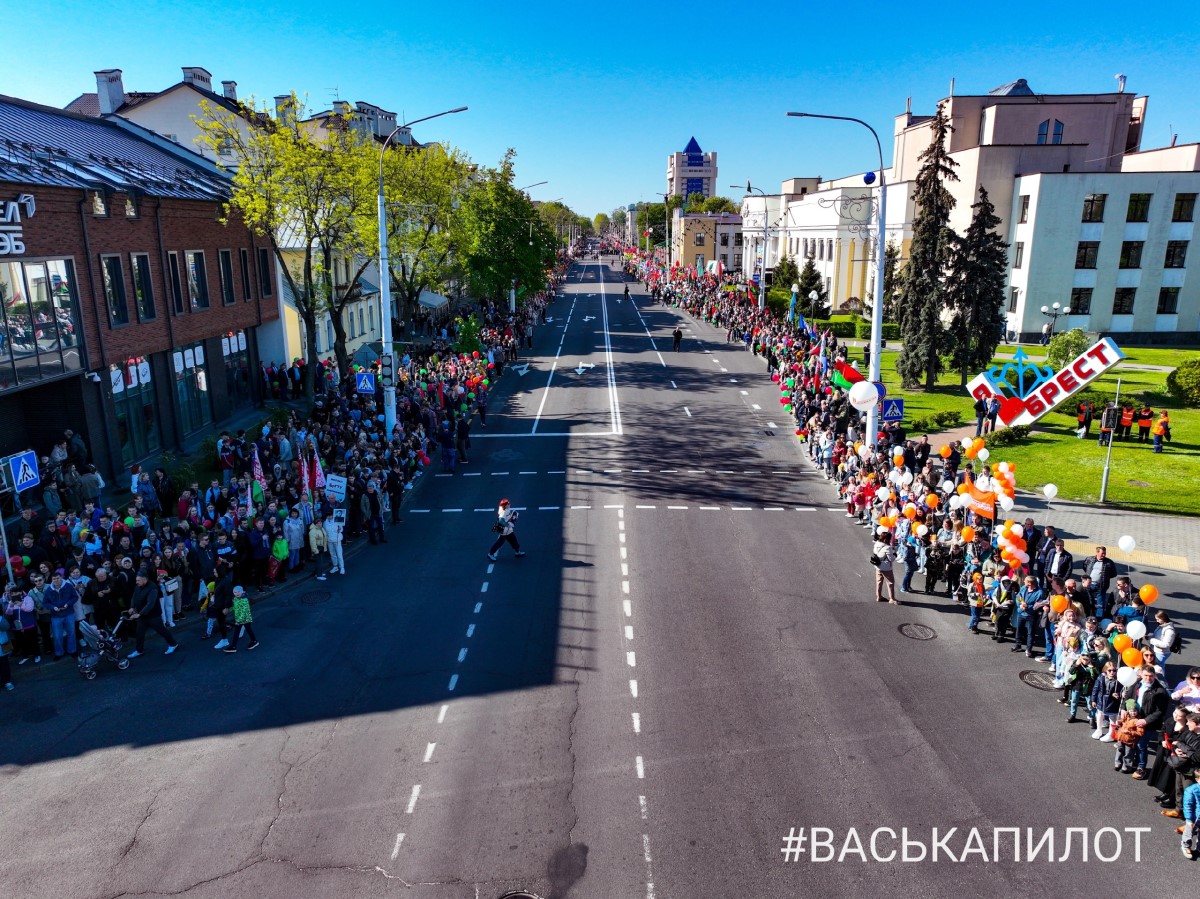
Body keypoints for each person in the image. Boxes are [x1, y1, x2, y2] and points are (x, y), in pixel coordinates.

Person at [125, 569, 179, 658]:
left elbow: (150, 604)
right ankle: (139, 650)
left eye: (138, 580)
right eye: (136, 580)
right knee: (139, 633)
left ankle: (173, 644)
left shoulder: (153, 588)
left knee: (162, 631)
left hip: (153, 616)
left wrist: (139, 614)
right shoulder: (138, 586)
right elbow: (134, 597)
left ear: (144, 579)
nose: (136, 582)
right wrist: (132, 607)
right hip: (142, 615)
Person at [42, 569, 79, 660]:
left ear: (61, 578)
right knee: (57, 635)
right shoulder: (48, 590)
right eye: (54, 579)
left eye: (58, 578)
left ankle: (72, 650)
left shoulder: (68, 586)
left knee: (71, 632)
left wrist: (68, 604)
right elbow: (45, 603)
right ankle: (59, 653)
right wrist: (52, 607)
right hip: (56, 615)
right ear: (52, 580)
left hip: (68, 613)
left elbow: (75, 597)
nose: (56, 580)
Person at [223, 585, 259, 653]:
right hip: (240, 619)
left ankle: (234, 646)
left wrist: (238, 621)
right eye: (235, 592)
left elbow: (244, 611)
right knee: (248, 630)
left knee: (239, 631)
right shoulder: (236, 599)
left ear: (242, 591)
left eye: (239, 591)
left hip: (246, 619)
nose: (237, 593)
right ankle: (254, 641)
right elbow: (236, 607)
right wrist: (229, 610)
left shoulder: (244, 600)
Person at [871, 529, 898, 605]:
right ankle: (892, 598)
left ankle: (878, 596)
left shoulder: (877, 544)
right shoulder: (887, 548)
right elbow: (891, 559)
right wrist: (895, 555)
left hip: (878, 566)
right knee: (890, 583)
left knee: (879, 581)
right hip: (886, 567)